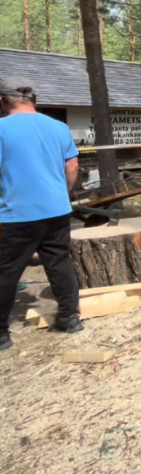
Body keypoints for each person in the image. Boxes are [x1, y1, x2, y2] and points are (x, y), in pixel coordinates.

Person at [0, 77, 82, 351]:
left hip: (16, 213)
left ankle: (1, 335)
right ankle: (70, 319)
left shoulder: (1, 129)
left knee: (7, 272)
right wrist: (62, 194)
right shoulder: (59, 127)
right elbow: (72, 167)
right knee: (59, 263)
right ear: (35, 99)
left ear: (2, 100)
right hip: (56, 211)